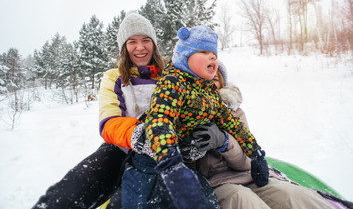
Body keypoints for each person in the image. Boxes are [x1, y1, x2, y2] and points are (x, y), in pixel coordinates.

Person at [121, 26, 269, 209]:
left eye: (214, 53)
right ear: (184, 56)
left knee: (206, 204)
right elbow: (160, 120)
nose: (213, 57)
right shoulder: (172, 83)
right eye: (204, 52)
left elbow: (233, 123)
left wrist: (255, 153)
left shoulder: (209, 93)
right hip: (149, 163)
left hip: (184, 164)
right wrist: (171, 163)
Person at [32, 11, 166, 209]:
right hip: (120, 148)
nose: (140, 47)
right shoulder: (114, 77)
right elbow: (109, 122)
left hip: (160, 151)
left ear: (153, 44)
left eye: (146, 40)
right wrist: (139, 134)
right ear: (123, 47)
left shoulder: (168, 76)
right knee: (71, 191)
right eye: (132, 41)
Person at [194, 62, 338, 209]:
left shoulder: (234, 111)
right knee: (242, 199)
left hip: (248, 175)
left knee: (293, 195)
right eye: (203, 78)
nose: (209, 84)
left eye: (214, 79)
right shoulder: (184, 113)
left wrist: (224, 142)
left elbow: (246, 161)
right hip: (215, 184)